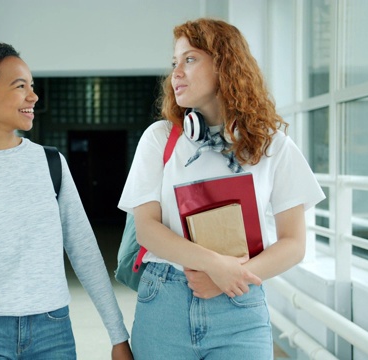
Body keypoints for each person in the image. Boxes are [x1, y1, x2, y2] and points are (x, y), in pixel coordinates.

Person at [118, 18, 325, 359]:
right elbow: (147, 230)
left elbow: (294, 243)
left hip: (240, 301)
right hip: (165, 300)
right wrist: (215, 265)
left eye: (190, 59)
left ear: (225, 64)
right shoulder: (159, 139)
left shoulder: (272, 145)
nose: (176, 73)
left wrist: (232, 276)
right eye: (174, 63)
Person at [0, 42, 132, 360]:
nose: (33, 96)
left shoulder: (50, 163)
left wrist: (118, 335)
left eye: (32, 86)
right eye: (20, 86)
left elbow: (86, 253)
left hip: (52, 331)